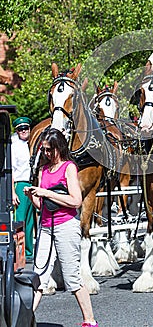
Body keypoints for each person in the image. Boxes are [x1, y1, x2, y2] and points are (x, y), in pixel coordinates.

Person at [24, 128, 98, 327]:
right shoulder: (43, 170)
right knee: (38, 276)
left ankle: (89, 320)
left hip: (66, 226)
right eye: (45, 150)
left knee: (72, 277)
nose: (47, 154)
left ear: (60, 148)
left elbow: (76, 201)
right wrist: (32, 196)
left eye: (50, 150)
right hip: (46, 227)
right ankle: (23, 319)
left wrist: (46, 193)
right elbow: (43, 207)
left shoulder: (69, 168)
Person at [11, 116, 35, 263]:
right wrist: (13, 192)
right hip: (20, 184)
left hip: (32, 184)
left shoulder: (32, 144)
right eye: (21, 129)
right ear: (17, 131)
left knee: (30, 221)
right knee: (19, 220)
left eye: (26, 128)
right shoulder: (15, 146)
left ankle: (29, 252)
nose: (24, 131)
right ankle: (18, 253)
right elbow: (12, 170)